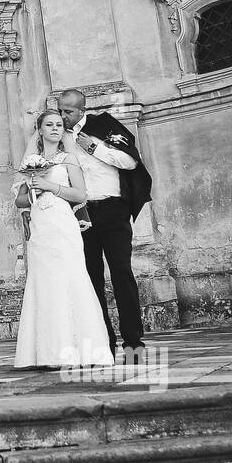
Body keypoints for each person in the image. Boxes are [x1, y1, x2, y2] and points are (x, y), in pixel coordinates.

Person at [51, 89, 153, 362]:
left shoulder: (104, 125)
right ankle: (103, 345)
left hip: (112, 209)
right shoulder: (57, 137)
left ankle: (133, 344)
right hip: (81, 214)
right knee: (90, 280)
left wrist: (94, 147)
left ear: (82, 110)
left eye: (68, 112)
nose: (62, 116)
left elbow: (130, 162)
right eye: (60, 110)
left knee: (122, 274)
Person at [12, 110, 115, 370]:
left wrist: (50, 187)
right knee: (44, 282)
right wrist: (33, 187)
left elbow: (80, 193)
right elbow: (19, 200)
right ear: (40, 129)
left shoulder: (68, 158)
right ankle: (48, 353)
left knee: (70, 277)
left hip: (62, 224)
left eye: (59, 124)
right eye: (50, 125)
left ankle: (84, 350)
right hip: (40, 227)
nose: (56, 128)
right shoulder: (31, 162)